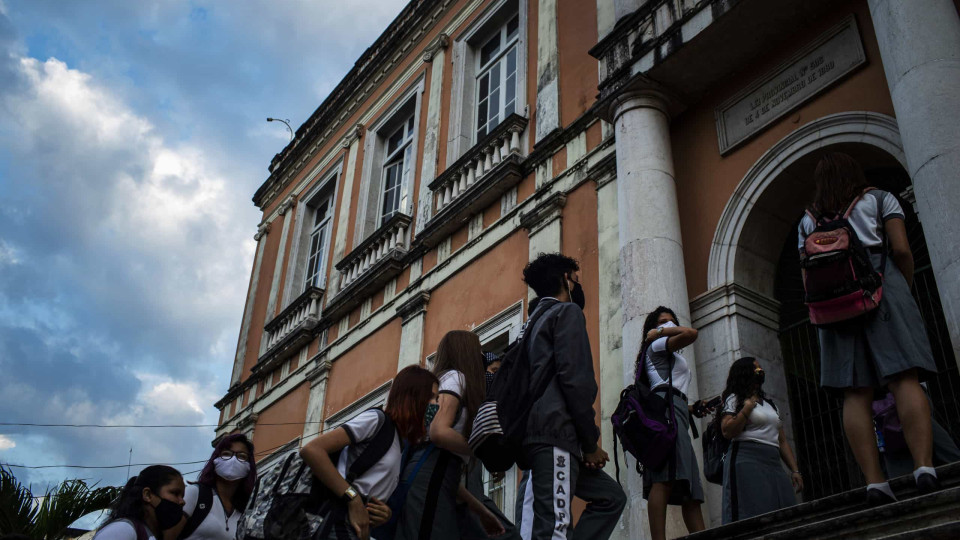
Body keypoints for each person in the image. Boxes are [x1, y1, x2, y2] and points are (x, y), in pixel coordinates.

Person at [798, 152, 940, 505]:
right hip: (881, 287)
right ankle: (924, 467)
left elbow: (806, 275)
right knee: (903, 377)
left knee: (854, 392)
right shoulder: (880, 199)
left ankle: (875, 481)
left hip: (833, 308)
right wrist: (899, 289)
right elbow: (902, 250)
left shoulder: (807, 220)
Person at [514, 252, 625, 540]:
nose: (578, 284)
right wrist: (590, 443)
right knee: (555, 529)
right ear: (566, 279)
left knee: (610, 497)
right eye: (576, 278)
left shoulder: (532, 323)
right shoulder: (567, 313)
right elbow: (576, 382)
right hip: (555, 434)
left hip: (543, 436)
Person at [300, 365, 437, 540]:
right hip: (337, 523)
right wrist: (353, 498)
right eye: (432, 397)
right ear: (414, 396)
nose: (436, 405)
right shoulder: (377, 420)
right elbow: (312, 450)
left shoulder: (400, 443)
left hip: (355, 529)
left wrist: (383, 513)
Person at [394, 333, 503, 540]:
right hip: (431, 471)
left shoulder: (444, 380)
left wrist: (481, 510)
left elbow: (447, 478)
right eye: (477, 349)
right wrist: (482, 450)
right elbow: (439, 431)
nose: (481, 355)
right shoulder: (456, 377)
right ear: (466, 352)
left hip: (433, 474)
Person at [637, 306, 710, 540]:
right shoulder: (657, 344)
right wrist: (660, 332)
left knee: (690, 488)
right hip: (666, 413)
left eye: (670, 321)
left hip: (676, 410)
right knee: (664, 478)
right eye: (661, 322)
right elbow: (691, 333)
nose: (667, 325)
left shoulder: (672, 354)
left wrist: (691, 408)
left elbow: (672, 387)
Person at [718, 357, 802, 523]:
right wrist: (747, 409)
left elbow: (782, 440)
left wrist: (795, 470)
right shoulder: (735, 399)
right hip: (747, 459)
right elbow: (727, 431)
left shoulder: (770, 405)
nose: (760, 372)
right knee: (754, 510)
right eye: (756, 369)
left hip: (773, 462)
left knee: (783, 507)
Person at [163, 434, 256, 540]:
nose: (233, 460)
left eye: (241, 456)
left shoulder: (246, 511)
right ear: (215, 460)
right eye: (226, 454)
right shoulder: (195, 494)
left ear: (249, 466)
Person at [94, 465, 185, 540]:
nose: (182, 501)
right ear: (147, 495)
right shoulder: (122, 530)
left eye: (182, 496)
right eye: (175, 493)